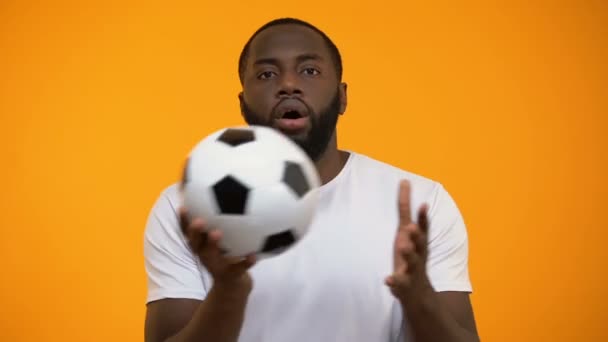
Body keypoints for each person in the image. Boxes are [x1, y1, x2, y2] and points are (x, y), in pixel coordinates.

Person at [143, 18, 479, 342]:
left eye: (309, 70)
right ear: (243, 103)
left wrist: (419, 296)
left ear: (342, 96)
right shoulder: (187, 208)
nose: (288, 84)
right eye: (267, 73)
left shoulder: (422, 203)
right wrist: (229, 291)